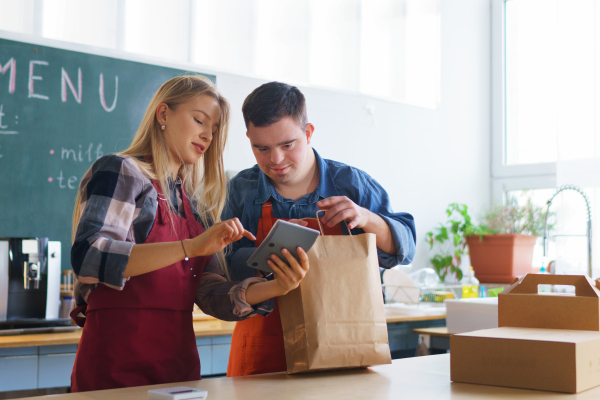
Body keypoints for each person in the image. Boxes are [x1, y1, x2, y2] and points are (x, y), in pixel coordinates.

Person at [69, 75, 309, 392]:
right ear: (163, 114)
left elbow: (212, 295)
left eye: (215, 129)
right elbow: (90, 257)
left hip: (178, 369)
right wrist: (190, 246)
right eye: (199, 120)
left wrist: (276, 286)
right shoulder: (122, 171)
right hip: (116, 365)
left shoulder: (192, 204)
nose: (207, 136)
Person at [224, 81, 417, 377]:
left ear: (308, 132)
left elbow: (405, 247)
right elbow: (223, 266)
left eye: (287, 145)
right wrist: (269, 258)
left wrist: (368, 219)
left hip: (344, 348)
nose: (275, 160)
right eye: (261, 148)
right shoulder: (240, 190)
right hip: (262, 356)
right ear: (248, 138)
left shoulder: (352, 183)